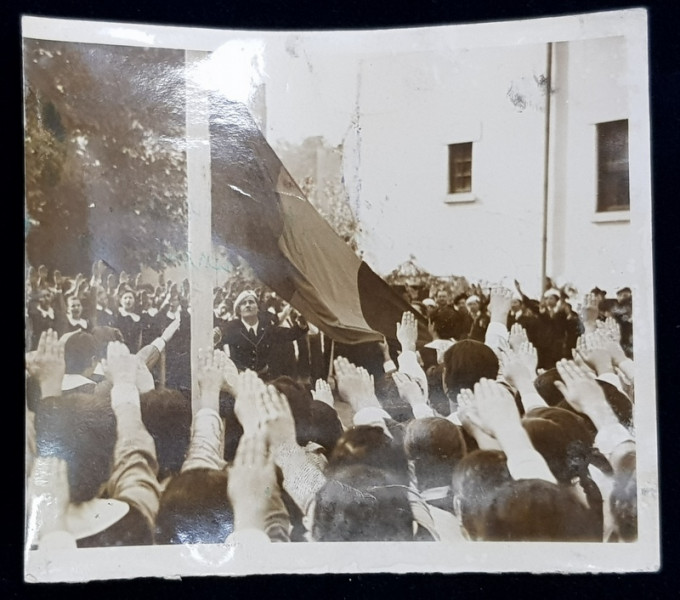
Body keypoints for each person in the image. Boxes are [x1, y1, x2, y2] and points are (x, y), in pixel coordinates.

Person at [220, 290, 309, 377]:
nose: (248, 305)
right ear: (238, 310)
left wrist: (301, 326)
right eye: (243, 303)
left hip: (264, 378)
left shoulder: (266, 327)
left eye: (251, 302)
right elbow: (216, 340)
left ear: (257, 308)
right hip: (241, 379)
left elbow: (286, 334)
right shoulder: (231, 327)